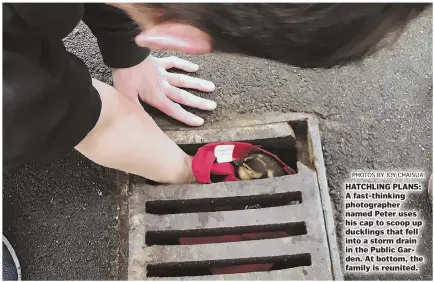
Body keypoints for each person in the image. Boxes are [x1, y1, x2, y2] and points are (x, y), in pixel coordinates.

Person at [3, 3, 430, 280]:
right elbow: (91, 118)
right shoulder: (12, 92)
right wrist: (183, 172)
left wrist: (127, 51)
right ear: (183, 41)